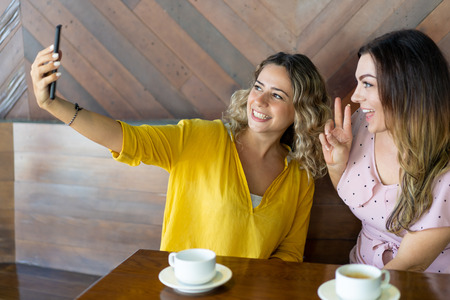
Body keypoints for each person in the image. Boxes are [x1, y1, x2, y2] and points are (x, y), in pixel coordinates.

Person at [31, 50, 331, 262]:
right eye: (258, 87)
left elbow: (289, 255)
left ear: (300, 111)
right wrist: (54, 105)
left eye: (277, 95)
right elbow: (124, 138)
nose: (260, 101)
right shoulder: (200, 137)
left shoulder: (300, 177)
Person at [319, 29, 450, 273]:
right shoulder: (362, 124)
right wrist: (337, 164)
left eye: (367, 83)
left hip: (421, 287)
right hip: (361, 271)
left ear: (408, 86)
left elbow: (412, 264)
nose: (356, 96)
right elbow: (355, 196)